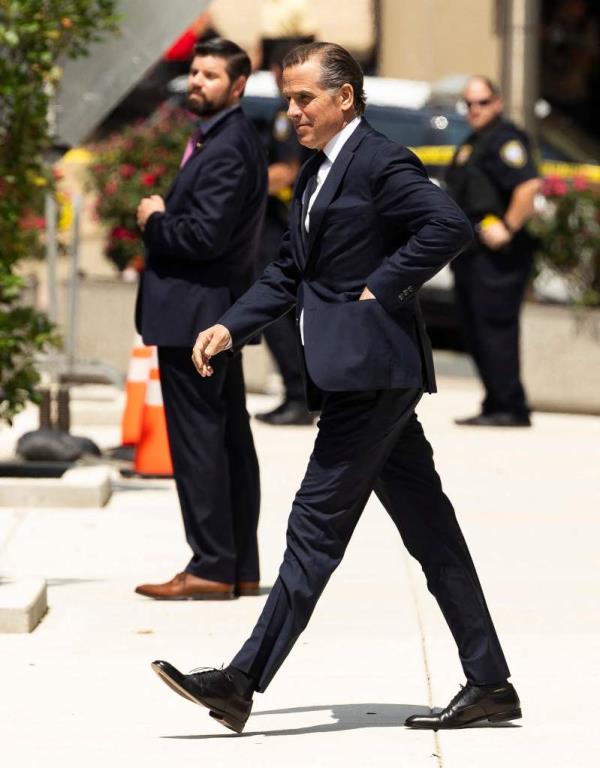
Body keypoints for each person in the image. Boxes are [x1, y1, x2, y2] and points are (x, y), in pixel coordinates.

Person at [151, 42, 521, 733]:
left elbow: (447, 224)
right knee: (432, 536)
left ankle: (240, 680)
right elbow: (290, 269)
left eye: (303, 99)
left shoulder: (379, 160)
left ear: (344, 97)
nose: (292, 112)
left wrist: (384, 282)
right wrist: (230, 327)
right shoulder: (320, 171)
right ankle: (491, 682)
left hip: (375, 374)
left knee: (313, 527)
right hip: (360, 375)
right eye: (288, 99)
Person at [134, 38, 267, 600]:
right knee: (224, 437)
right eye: (193, 71)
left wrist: (156, 219)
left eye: (210, 75)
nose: (197, 81)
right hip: (206, 313)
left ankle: (212, 565)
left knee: (201, 442)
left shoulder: (230, 145)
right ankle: (235, 565)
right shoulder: (214, 137)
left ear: (237, 86)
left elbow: (205, 236)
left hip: (199, 315)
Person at [445, 75, 541, 427]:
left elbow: (528, 185)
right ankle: (495, 401)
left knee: (495, 330)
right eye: (468, 104)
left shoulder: (506, 140)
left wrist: (509, 227)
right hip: (472, 254)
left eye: (482, 102)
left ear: (497, 103)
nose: (474, 109)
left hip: (498, 257)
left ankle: (511, 406)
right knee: (475, 330)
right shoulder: (475, 142)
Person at [255, 41, 314, 426]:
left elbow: (288, 170)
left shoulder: (290, 114)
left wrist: (241, 186)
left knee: (277, 310)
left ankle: (299, 395)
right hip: (286, 220)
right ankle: (298, 394)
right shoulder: (286, 112)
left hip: (285, 224)